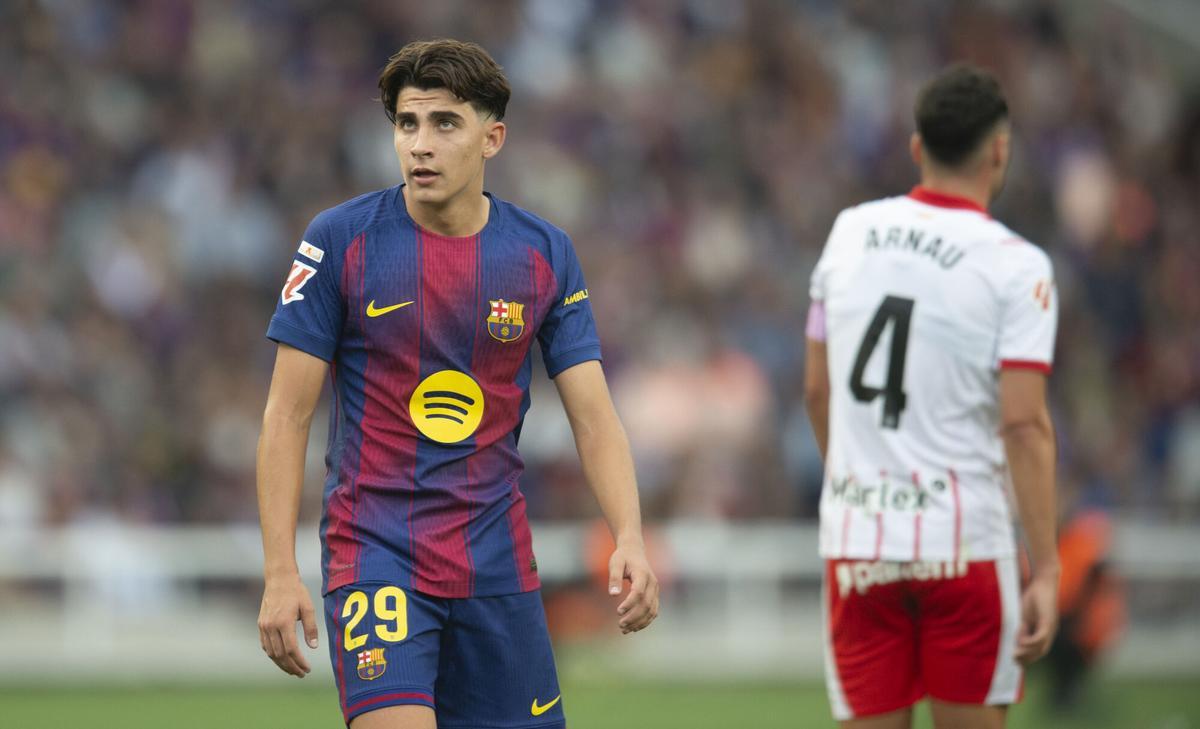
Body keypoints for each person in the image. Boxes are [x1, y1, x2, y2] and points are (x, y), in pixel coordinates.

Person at [255, 39, 658, 729]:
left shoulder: (543, 254)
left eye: (445, 123)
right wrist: (280, 570)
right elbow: (286, 416)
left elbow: (594, 415)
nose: (421, 144)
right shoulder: (338, 241)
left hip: (495, 560)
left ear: (491, 137)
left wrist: (629, 534)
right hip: (375, 551)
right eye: (407, 124)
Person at [804, 64, 1060, 729]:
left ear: (918, 148)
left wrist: (855, 479)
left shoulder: (849, 233)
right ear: (999, 149)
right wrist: (1049, 568)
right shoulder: (1017, 265)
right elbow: (1025, 425)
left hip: (860, 540)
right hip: (965, 541)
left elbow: (816, 385)